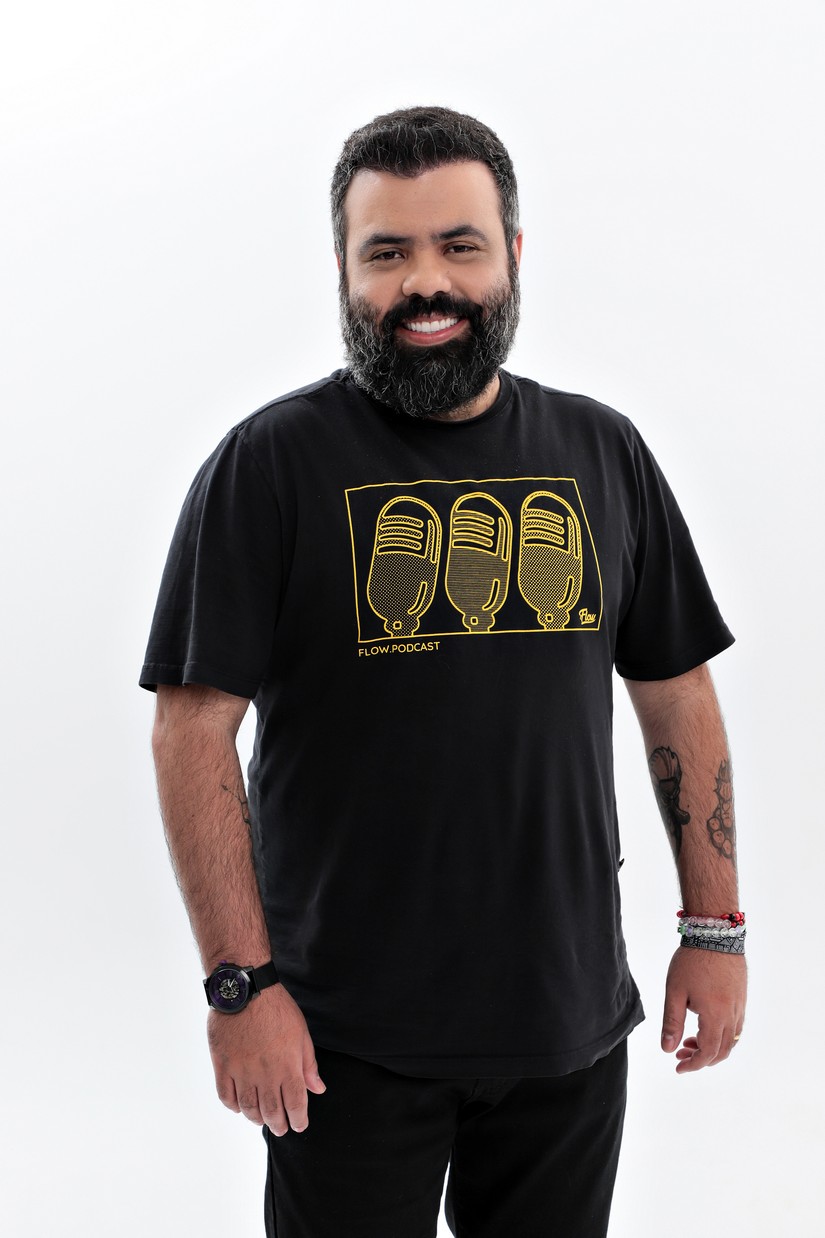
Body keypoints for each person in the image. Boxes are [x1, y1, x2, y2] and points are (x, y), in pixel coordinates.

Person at [142, 106, 746, 1238]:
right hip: (340, 1040)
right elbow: (191, 729)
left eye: (459, 245)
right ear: (343, 269)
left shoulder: (602, 451)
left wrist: (714, 930)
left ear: (511, 253)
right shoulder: (268, 465)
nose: (427, 282)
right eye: (388, 252)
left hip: (566, 1026)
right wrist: (240, 987)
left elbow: (676, 693)